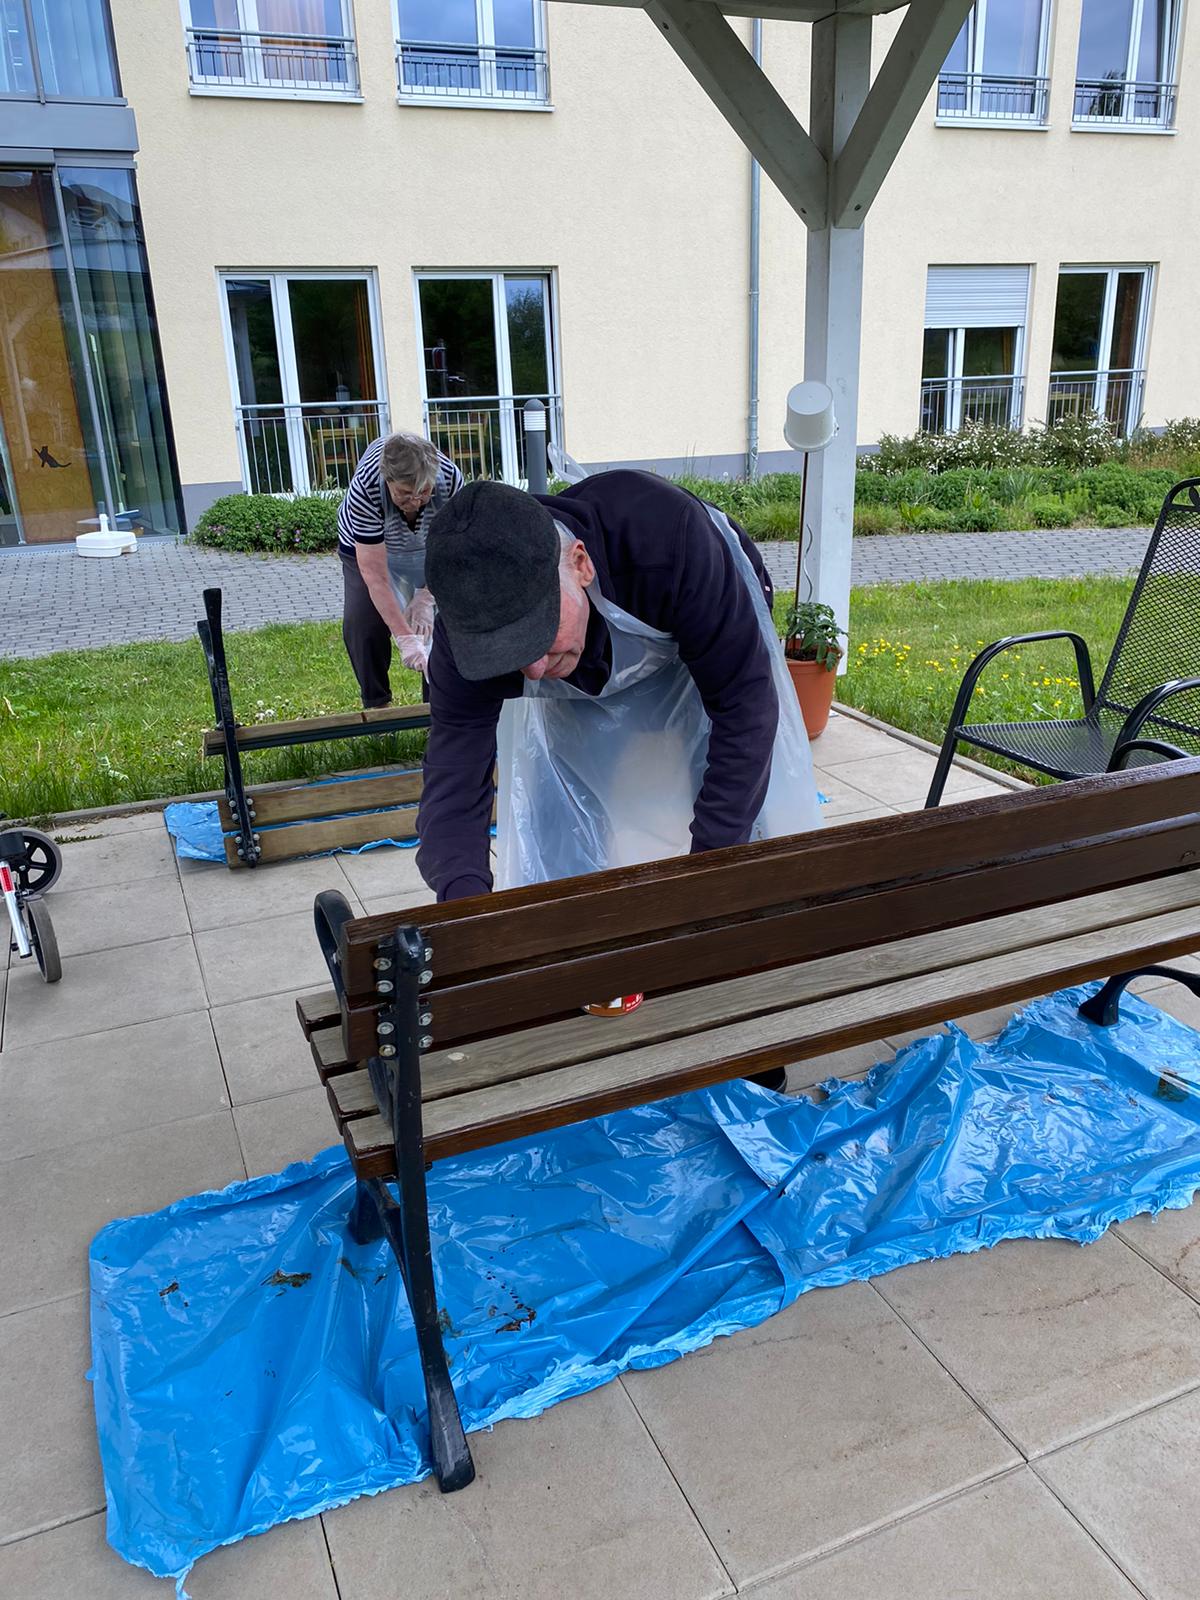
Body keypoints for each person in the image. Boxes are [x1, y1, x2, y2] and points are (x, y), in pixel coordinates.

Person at [416, 470, 821, 907]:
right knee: (566, 805)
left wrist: (708, 877)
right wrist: (463, 905)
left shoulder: (669, 544)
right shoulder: (465, 633)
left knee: (718, 789)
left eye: (538, 633)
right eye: (507, 650)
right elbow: (454, 774)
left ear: (580, 564)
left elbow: (744, 707)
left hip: (695, 610)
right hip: (599, 640)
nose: (532, 670)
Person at [337, 431, 462, 707]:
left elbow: (454, 550)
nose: (416, 501)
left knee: (444, 623)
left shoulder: (450, 479)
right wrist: (404, 637)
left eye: (424, 491)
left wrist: (427, 596)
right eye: (404, 493)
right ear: (388, 480)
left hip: (429, 547)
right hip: (368, 547)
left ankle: (438, 708)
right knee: (363, 622)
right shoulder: (367, 487)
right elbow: (376, 577)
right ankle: (377, 704)